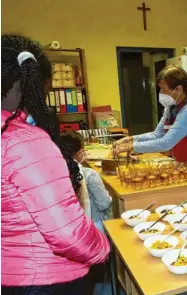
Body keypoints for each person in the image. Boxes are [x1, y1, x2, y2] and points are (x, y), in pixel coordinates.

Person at [1, 34, 110, 294]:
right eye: (44, 92)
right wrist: (106, 248)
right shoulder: (25, 142)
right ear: (25, 86)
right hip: (48, 278)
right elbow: (67, 233)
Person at [112, 65, 187, 170]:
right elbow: (157, 134)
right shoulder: (171, 107)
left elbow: (166, 143)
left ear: (179, 89)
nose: (160, 93)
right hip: (186, 165)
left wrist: (131, 146)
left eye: (163, 89)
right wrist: (130, 139)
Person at [60, 130, 113, 232]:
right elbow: (104, 203)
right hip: (94, 225)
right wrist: (110, 197)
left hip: (69, 226)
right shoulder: (89, 174)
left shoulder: (57, 172)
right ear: (80, 152)